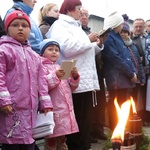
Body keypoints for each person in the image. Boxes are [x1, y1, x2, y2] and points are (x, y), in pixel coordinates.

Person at [46, 0, 104, 149]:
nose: (81, 12)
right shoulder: (60, 26)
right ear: (70, 9)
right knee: (76, 120)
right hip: (72, 82)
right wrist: (87, 39)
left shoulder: (75, 26)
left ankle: (84, 146)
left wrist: (96, 44)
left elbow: (84, 51)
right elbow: (66, 49)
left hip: (83, 81)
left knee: (85, 120)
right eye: (78, 9)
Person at [0, 10, 52, 150]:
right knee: (11, 140)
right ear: (7, 29)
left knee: (28, 139)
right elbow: (0, 77)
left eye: (24, 25)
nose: (21, 28)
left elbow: (41, 81)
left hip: (30, 108)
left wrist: (45, 101)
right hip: (11, 108)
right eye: (15, 25)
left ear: (30, 29)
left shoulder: (34, 56)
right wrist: (4, 100)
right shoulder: (4, 50)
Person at [39, 38, 80, 150]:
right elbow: (43, 86)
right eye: (50, 49)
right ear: (42, 53)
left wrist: (74, 77)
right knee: (51, 137)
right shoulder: (41, 67)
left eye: (57, 50)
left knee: (62, 137)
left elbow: (70, 88)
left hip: (64, 108)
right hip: (52, 108)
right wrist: (55, 76)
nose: (54, 52)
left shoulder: (59, 67)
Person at [101, 11, 137, 131]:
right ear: (115, 24)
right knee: (116, 104)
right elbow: (116, 59)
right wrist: (131, 73)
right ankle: (116, 130)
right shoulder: (109, 38)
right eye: (121, 24)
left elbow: (126, 56)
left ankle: (120, 128)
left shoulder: (115, 37)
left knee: (121, 104)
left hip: (122, 79)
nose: (122, 27)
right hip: (117, 80)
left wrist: (132, 71)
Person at [79, 7, 107, 141]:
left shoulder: (90, 32)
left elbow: (95, 52)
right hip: (83, 75)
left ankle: (97, 130)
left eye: (86, 15)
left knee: (99, 104)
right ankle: (88, 133)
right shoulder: (77, 32)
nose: (84, 17)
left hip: (96, 72)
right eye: (81, 14)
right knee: (88, 106)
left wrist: (100, 43)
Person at [120, 14, 146, 108]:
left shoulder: (133, 46)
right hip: (124, 79)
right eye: (121, 32)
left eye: (125, 32)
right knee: (124, 101)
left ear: (128, 33)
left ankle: (133, 117)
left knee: (133, 100)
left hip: (135, 78)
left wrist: (142, 78)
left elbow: (138, 62)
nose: (123, 34)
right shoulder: (118, 46)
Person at [132, 18, 148, 123]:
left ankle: (146, 117)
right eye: (136, 26)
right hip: (135, 72)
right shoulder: (131, 39)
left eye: (140, 26)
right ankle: (135, 117)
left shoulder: (148, 38)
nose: (138, 28)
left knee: (146, 96)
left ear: (144, 27)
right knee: (135, 96)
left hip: (147, 71)